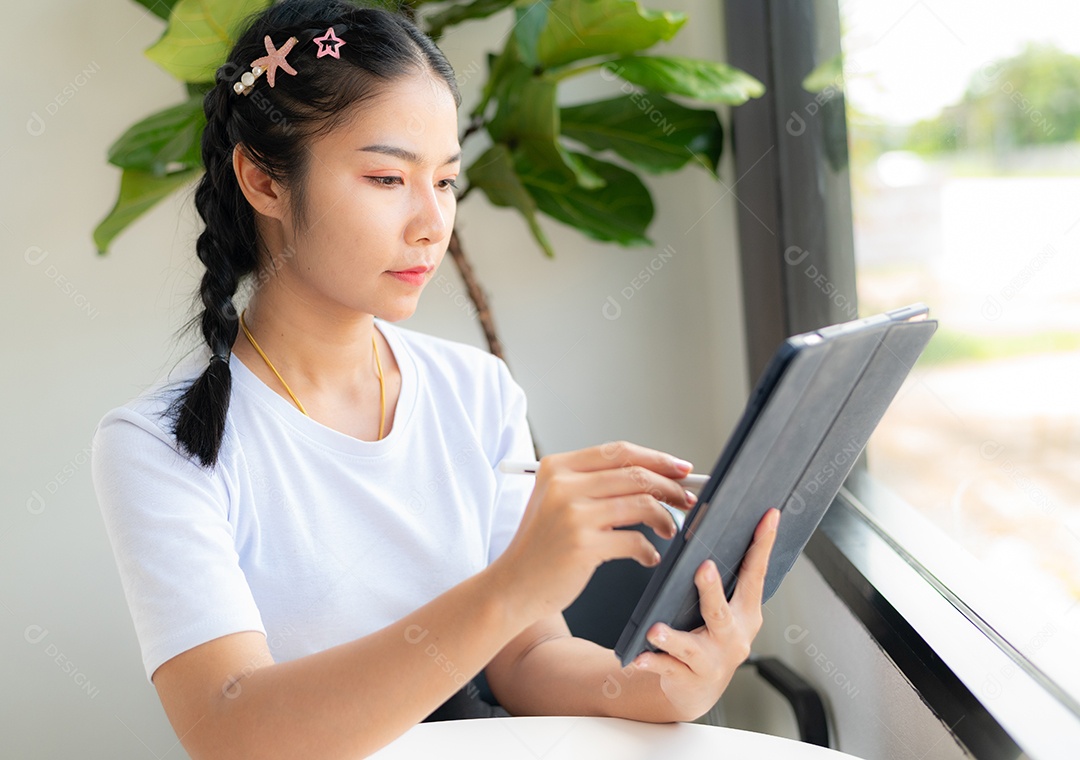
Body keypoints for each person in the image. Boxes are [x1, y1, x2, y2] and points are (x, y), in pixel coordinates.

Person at [90, 1, 780, 757]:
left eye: (446, 181)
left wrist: (652, 687)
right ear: (263, 181)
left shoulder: (476, 391)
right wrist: (512, 584)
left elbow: (524, 660)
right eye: (388, 178)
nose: (431, 223)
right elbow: (232, 730)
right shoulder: (157, 444)